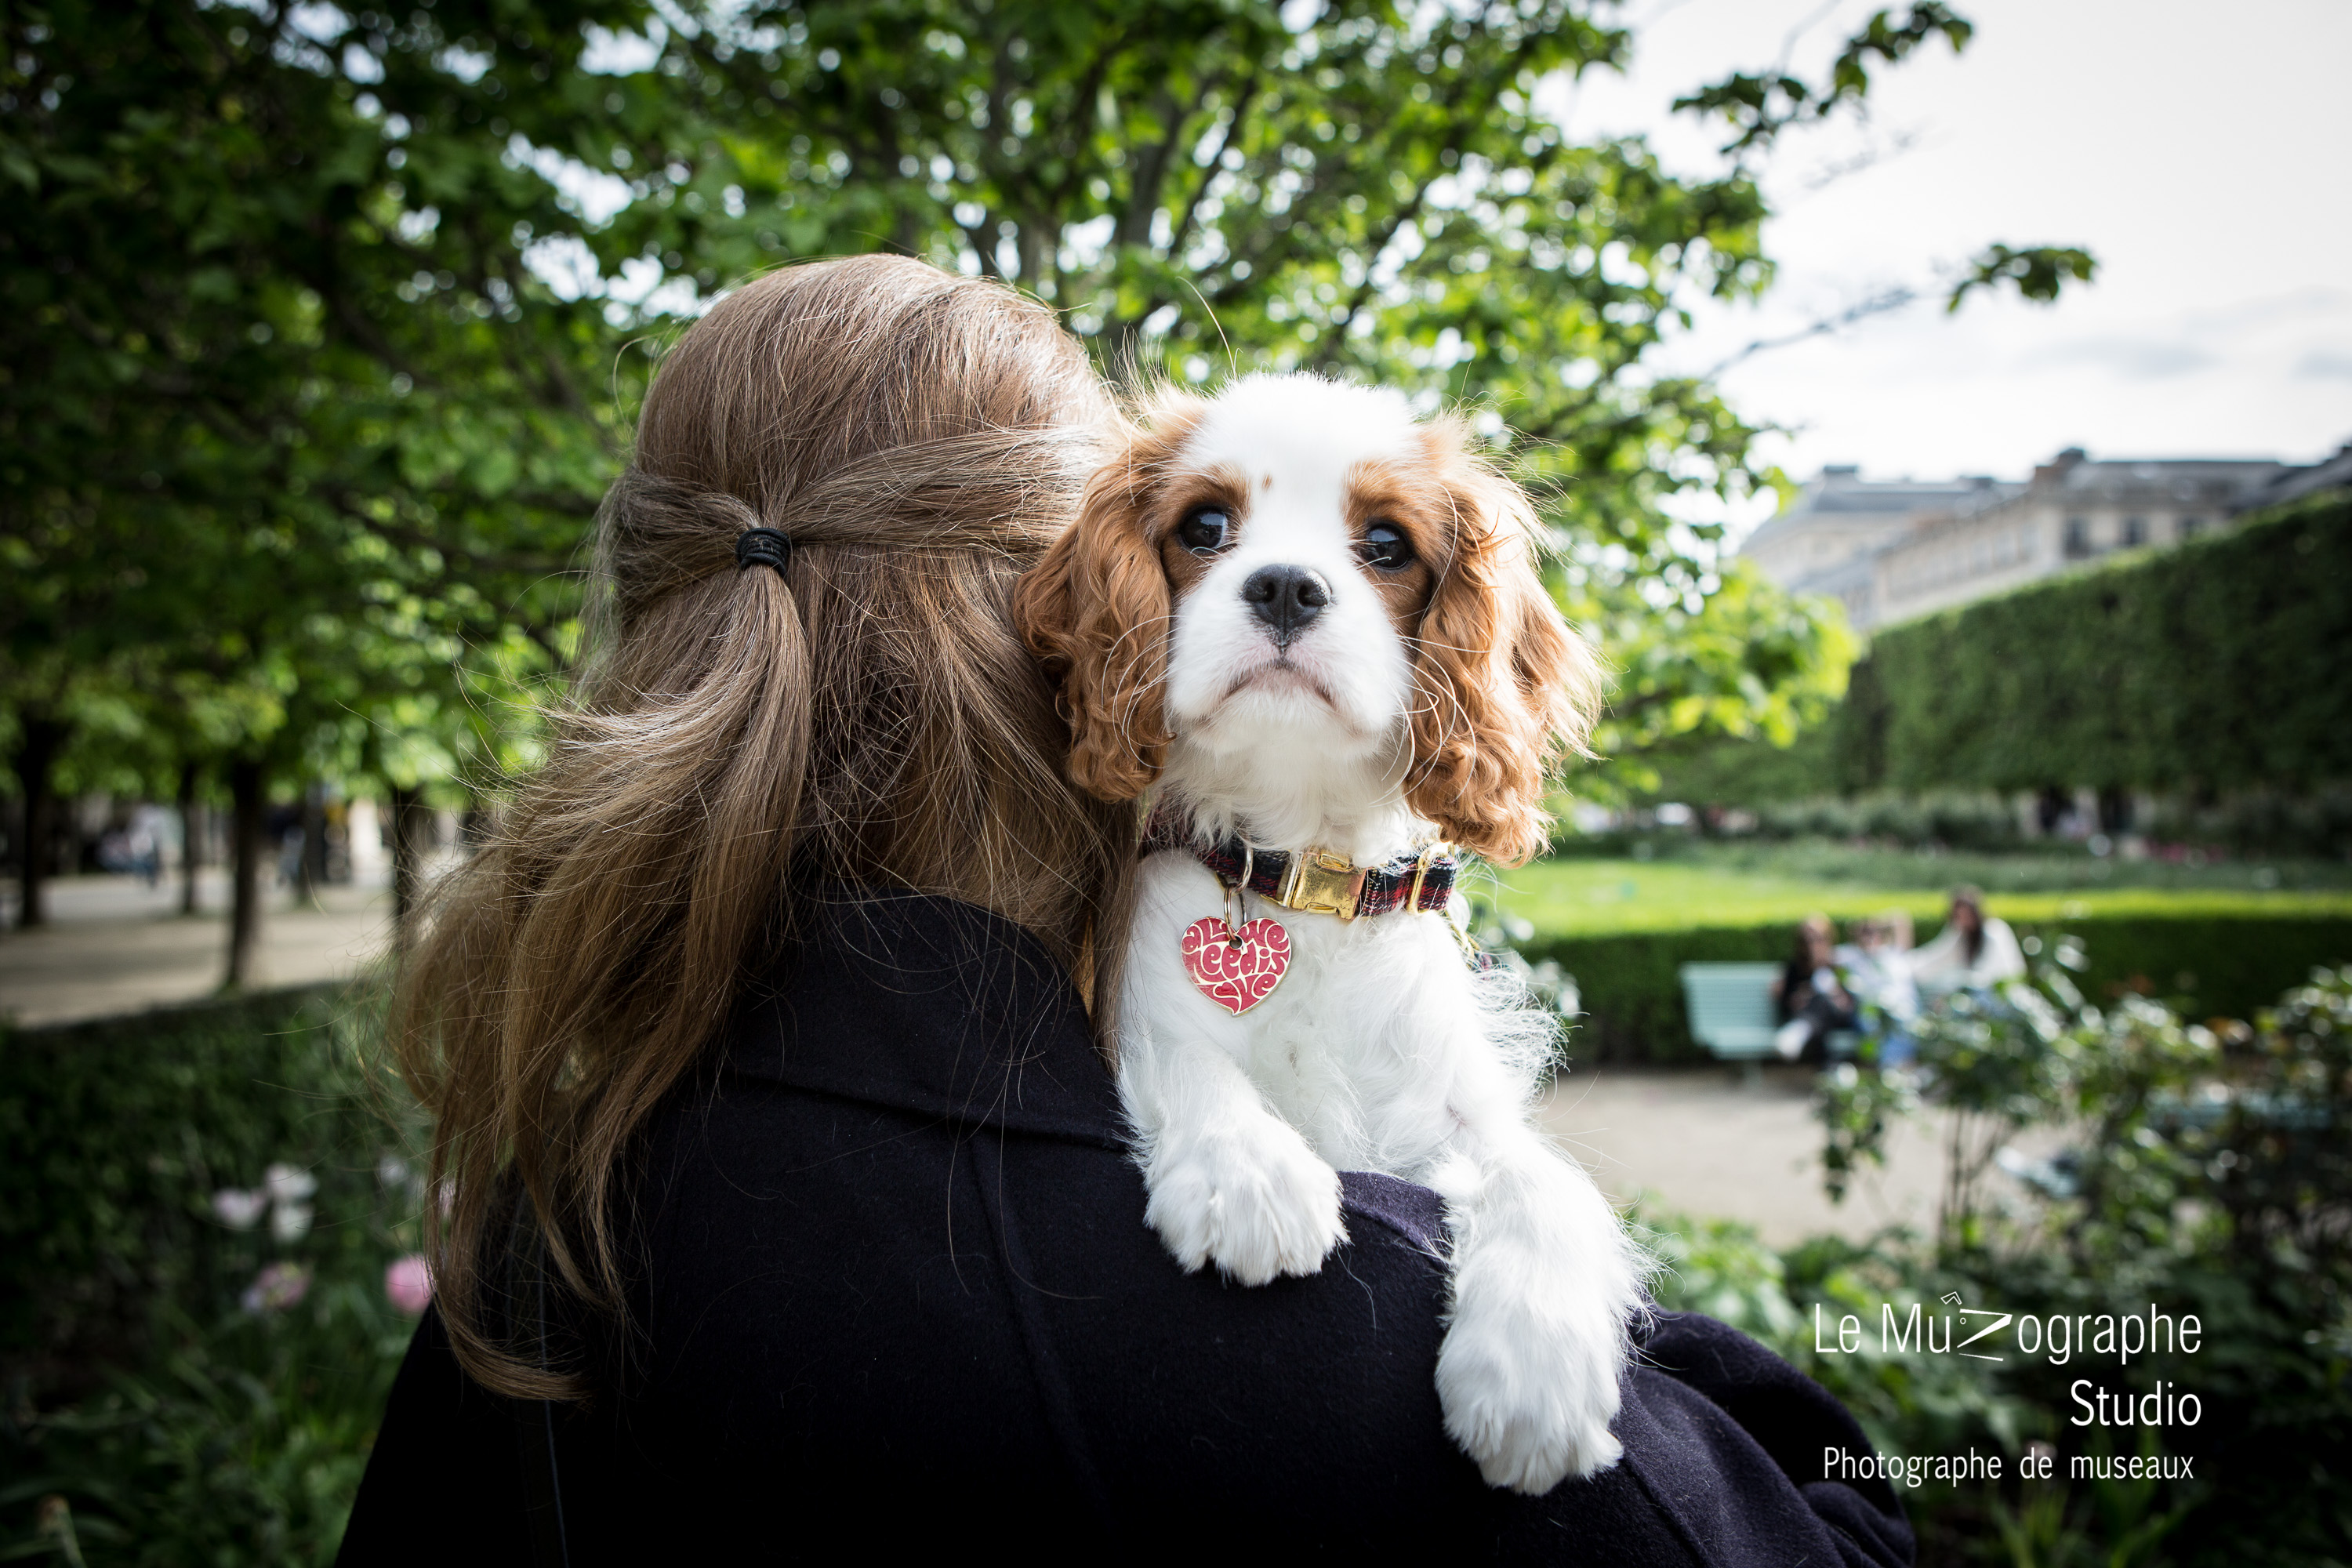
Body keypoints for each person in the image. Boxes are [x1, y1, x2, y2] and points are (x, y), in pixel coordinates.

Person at [337, 256, 1911, 1564]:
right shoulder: (1325, 1317)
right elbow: (1828, 1533)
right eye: (1197, 538)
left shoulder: (538, 1233)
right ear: (1060, 622)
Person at [1908, 885, 2027, 997]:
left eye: (1967, 915)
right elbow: (1938, 955)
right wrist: (1910, 965)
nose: (1964, 920)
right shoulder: (1962, 935)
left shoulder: (1994, 930)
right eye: (1959, 916)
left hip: (2002, 991)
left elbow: (1993, 972)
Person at [1772, 913, 1860, 1062]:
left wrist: (1834, 993)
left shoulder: (1838, 965)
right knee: (1818, 1013)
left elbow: (1849, 1002)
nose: (1813, 945)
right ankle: (1830, 1068)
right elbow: (1787, 1002)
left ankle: (1799, 1031)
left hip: (1836, 1017)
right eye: (1807, 940)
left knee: (1822, 1001)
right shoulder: (1794, 968)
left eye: (1819, 939)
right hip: (1811, 1018)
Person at [1836, 913, 1921, 1066]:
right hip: (1870, 1011)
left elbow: (1901, 920)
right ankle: (1890, 1068)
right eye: (1865, 933)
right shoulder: (1849, 955)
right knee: (1874, 1025)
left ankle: (1892, 1067)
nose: (1869, 937)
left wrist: (1880, 922)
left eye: (1874, 932)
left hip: (1899, 1008)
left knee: (1901, 1024)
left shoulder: (1892, 955)